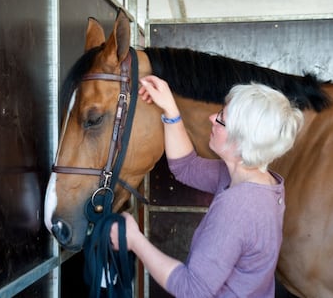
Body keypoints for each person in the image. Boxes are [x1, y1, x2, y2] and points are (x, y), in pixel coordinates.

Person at [110, 75, 304, 297]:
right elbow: (186, 167)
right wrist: (170, 110)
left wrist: (134, 240)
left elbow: (193, 289)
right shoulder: (262, 182)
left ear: (241, 142)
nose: (212, 118)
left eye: (222, 119)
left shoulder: (238, 207)